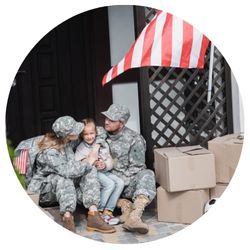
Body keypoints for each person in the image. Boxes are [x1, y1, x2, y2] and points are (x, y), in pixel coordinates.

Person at [27, 116, 116, 233]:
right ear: (67, 134)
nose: (79, 132)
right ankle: (67, 217)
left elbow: (100, 131)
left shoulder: (68, 141)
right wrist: (89, 161)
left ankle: (93, 214)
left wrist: (95, 148)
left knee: (90, 170)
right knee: (65, 178)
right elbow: (68, 172)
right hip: (46, 188)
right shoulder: (50, 152)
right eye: (75, 130)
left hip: (66, 187)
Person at [101, 104, 156, 234]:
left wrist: (119, 181)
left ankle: (134, 217)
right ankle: (125, 207)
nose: (106, 122)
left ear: (121, 123)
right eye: (106, 118)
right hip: (106, 183)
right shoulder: (99, 134)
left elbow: (137, 168)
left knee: (147, 174)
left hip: (126, 182)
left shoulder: (134, 139)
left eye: (112, 120)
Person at [75, 118, 124, 225]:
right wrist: (90, 161)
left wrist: (105, 164)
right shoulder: (81, 148)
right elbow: (78, 163)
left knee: (120, 182)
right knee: (109, 184)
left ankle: (108, 211)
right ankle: (99, 212)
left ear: (96, 133)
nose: (89, 136)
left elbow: (109, 160)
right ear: (81, 135)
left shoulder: (102, 144)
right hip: (93, 173)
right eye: (85, 134)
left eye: (91, 133)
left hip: (104, 171)